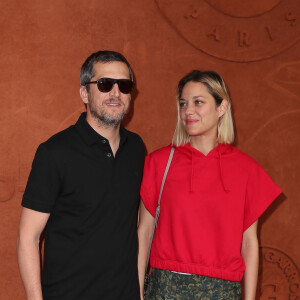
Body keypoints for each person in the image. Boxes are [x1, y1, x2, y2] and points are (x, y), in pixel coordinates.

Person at [137, 70, 282, 299]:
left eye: (198, 102)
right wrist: (138, 294)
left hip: (222, 291)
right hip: (165, 288)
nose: (188, 111)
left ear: (221, 107)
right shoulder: (159, 163)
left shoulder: (246, 169)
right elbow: (144, 232)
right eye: (183, 104)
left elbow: (249, 244)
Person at [17, 50, 145, 300]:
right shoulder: (54, 152)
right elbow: (27, 237)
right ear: (85, 93)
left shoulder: (137, 148)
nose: (115, 93)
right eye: (105, 84)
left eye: (124, 85)